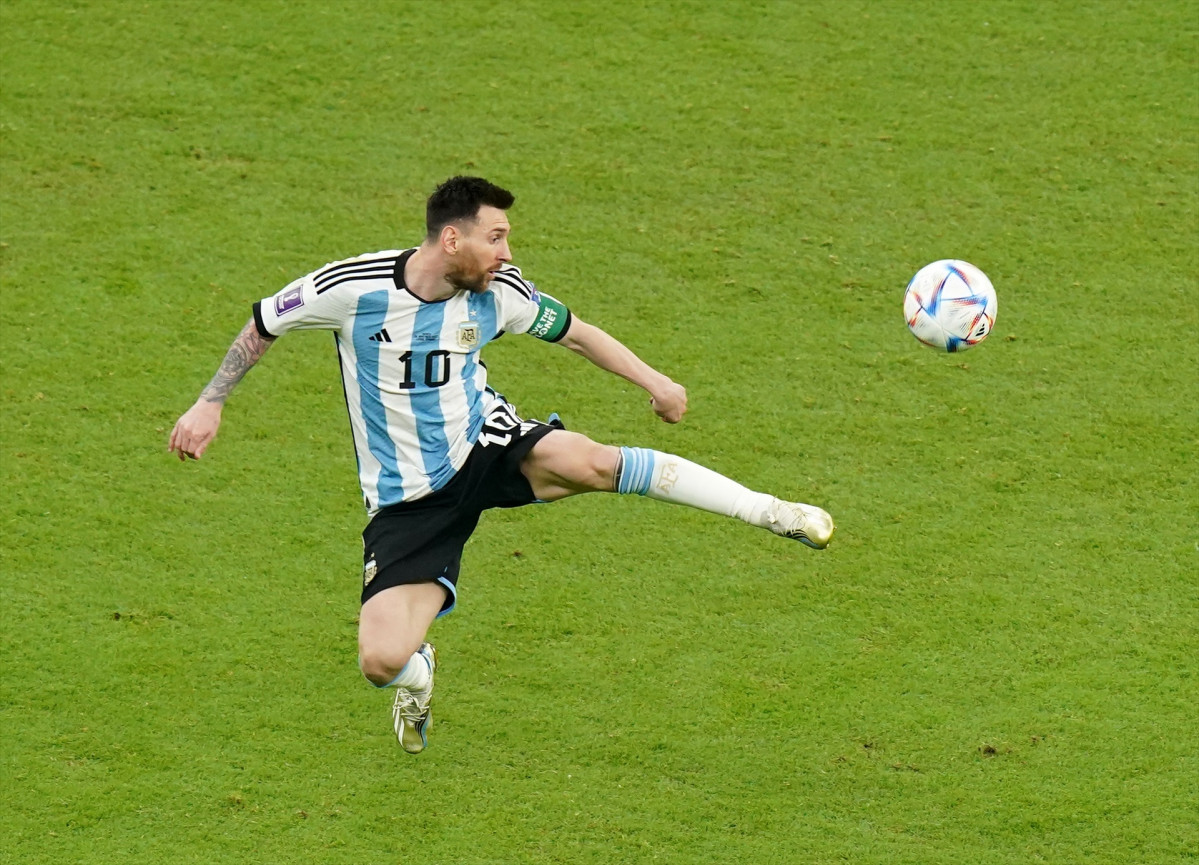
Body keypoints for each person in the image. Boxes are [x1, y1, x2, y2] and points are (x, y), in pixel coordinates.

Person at [168, 176, 834, 754]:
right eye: (496, 237)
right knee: (380, 660)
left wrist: (654, 382)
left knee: (593, 463)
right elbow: (264, 323)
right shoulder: (353, 287)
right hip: (409, 500)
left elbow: (574, 331)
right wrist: (209, 403)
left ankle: (770, 511)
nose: (507, 253)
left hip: (484, 442)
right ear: (451, 240)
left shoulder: (499, 292)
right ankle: (418, 675)